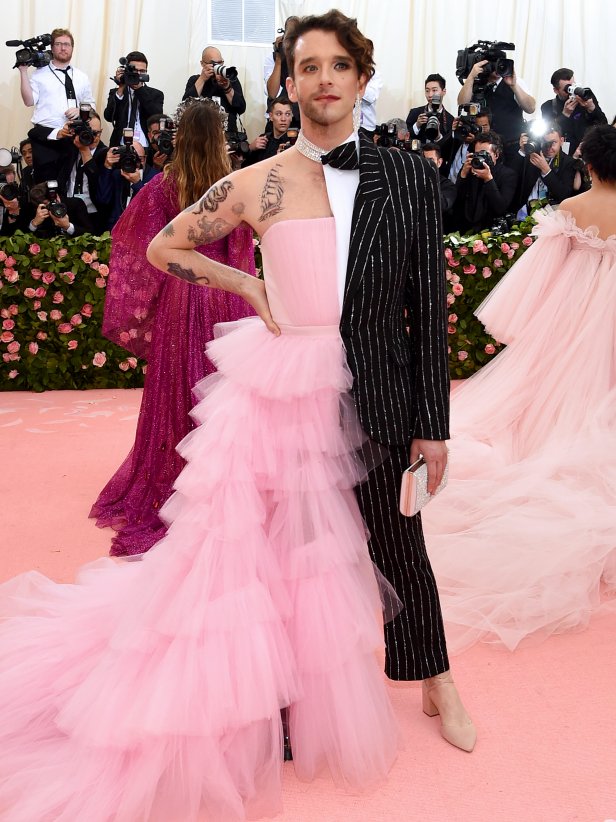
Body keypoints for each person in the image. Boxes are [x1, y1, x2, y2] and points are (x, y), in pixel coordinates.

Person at [0, 13, 472, 822]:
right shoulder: (258, 181)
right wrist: (249, 288)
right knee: (279, 551)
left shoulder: (408, 178)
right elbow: (164, 248)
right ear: (288, 84)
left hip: (383, 389)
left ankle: (436, 681)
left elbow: (426, 311)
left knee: (399, 540)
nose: (324, 80)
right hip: (284, 390)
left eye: (339, 66)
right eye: (307, 67)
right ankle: (286, 698)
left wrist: (435, 422)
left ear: (361, 78)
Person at [422, 124, 616, 654]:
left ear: (591, 164)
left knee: (544, 398)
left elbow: (535, 282)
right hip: (606, 327)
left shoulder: (573, 209)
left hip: (567, 325)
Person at [90, 98, 256, 557]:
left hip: (181, 301)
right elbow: (243, 250)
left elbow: (131, 243)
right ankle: (221, 488)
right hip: (226, 298)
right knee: (222, 397)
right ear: (220, 139)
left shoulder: (163, 187)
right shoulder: (233, 187)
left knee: (177, 394)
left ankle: (172, 483)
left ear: (180, 136)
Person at [18, 28, 95, 185]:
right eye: (58, 44)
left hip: (73, 138)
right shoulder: (40, 74)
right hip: (46, 139)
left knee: (68, 186)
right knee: (46, 188)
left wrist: (81, 109)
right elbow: (28, 101)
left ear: (72, 48)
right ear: (52, 48)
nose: (63, 48)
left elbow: (91, 104)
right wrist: (23, 72)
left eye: (67, 44)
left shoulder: (81, 76)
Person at [453, 129, 518, 232]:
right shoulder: (469, 169)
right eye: (477, 153)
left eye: (484, 154)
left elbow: (500, 208)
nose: (480, 157)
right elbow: (456, 200)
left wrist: (488, 179)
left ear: (496, 155)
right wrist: (463, 174)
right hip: (465, 229)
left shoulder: (507, 175)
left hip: (492, 232)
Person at [512, 123, 577, 217]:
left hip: (553, 215)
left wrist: (546, 170)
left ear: (562, 141)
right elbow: (511, 178)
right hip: (525, 213)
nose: (549, 148)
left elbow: (564, 196)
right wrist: (522, 151)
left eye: (553, 142)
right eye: (545, 143)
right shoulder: (532, 156)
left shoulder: (569, 163)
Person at [104, 51, 164, 148]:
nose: (138, 74)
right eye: (135, 71)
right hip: (120, 145)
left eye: (142, 71)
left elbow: (156, 117)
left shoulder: (156, 94)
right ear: (126, 71)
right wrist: (120, 88)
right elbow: (108, 116)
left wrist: (139, 89)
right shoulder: (117, 92)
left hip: (146, 145)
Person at [540, 68, 607, 155]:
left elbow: (603, 123)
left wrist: (591, 108)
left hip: (588, 150)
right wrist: (565, 115)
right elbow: (548, 135)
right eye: (568, 89)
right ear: (556, 90)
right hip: (565, 156)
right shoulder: (548, 107)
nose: (572, 91)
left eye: (573, 85)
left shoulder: (585, 95)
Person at [182, 46, 246, 134]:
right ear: (202, 64)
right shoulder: (195, 80)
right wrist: (202, 79)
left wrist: (227, 87)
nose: (218, 66)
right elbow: (186, 107)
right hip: (201, 134)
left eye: (220, 63)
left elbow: (241, 108)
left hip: (228, 134)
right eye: (213, 64)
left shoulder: (230, 79)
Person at [406, 73, 454, 145]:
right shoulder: (415, 113)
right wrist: (417, 125)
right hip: (417, 155)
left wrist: (438, 137)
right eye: (427, 91)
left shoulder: (450, 119)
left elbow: (449, 148)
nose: (430, 95)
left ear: (444, 92)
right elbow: (406, 137)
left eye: (434, 90)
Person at [245, 96, 294, 164]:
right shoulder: (263, 139)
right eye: (279, 114)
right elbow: (249, 167)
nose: (283, 119)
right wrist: (250, 148)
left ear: (291, 117)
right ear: (271, 116)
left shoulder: (294, 142)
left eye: (287, 114)